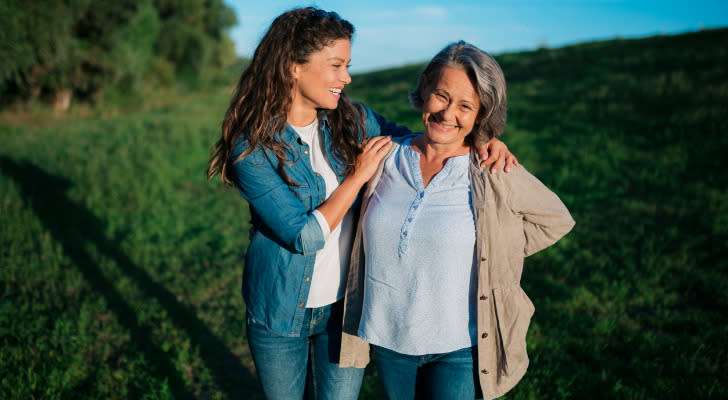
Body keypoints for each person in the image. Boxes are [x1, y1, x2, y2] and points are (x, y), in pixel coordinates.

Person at [206, 8, 518, 400]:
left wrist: (483, 141)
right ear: (293, 67)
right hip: (279, 312)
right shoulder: (251, 148)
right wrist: (356, 178)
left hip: (344, 310)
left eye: (348, 65)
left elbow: (419, 141)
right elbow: (303, 236)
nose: (347, 78)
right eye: (336, 65)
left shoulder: (351, 120)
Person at [339, 41, 575, 400]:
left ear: (481, 115)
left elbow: (555, 219)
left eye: (465, 106)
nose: (449, 113)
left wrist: (498, 246)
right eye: (442, 96)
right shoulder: (384, 158)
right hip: (388, 336)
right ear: (424, 90)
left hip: (459, 345)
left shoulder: (490, 168)